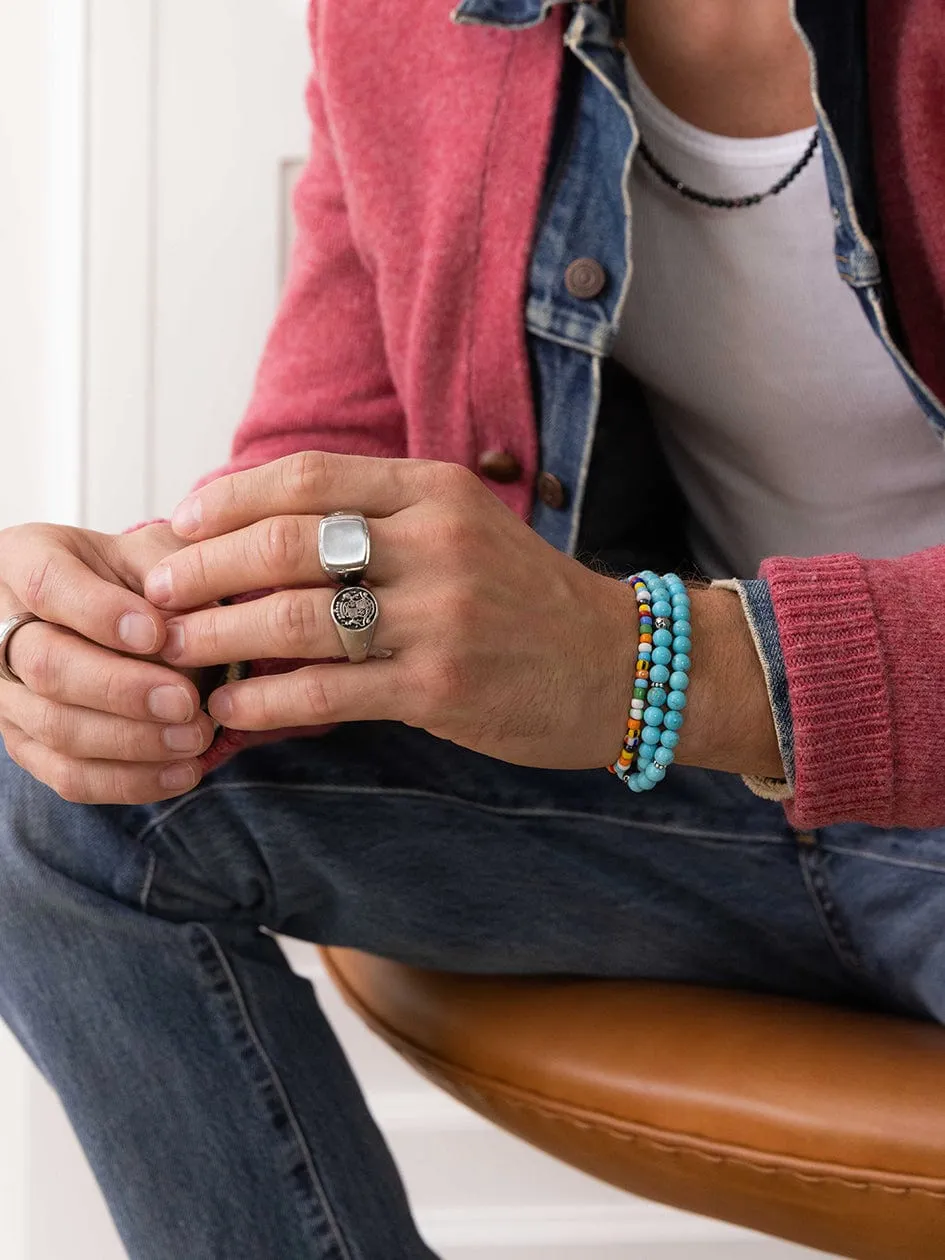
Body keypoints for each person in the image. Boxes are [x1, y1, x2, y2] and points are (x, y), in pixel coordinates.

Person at [1, 0, 944, 1255]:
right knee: (65, 787)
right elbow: (336, 473)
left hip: (750, 729)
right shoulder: (401, 18)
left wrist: (640, 662)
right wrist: (137, 636)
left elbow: (618, 661)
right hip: (699, 797)